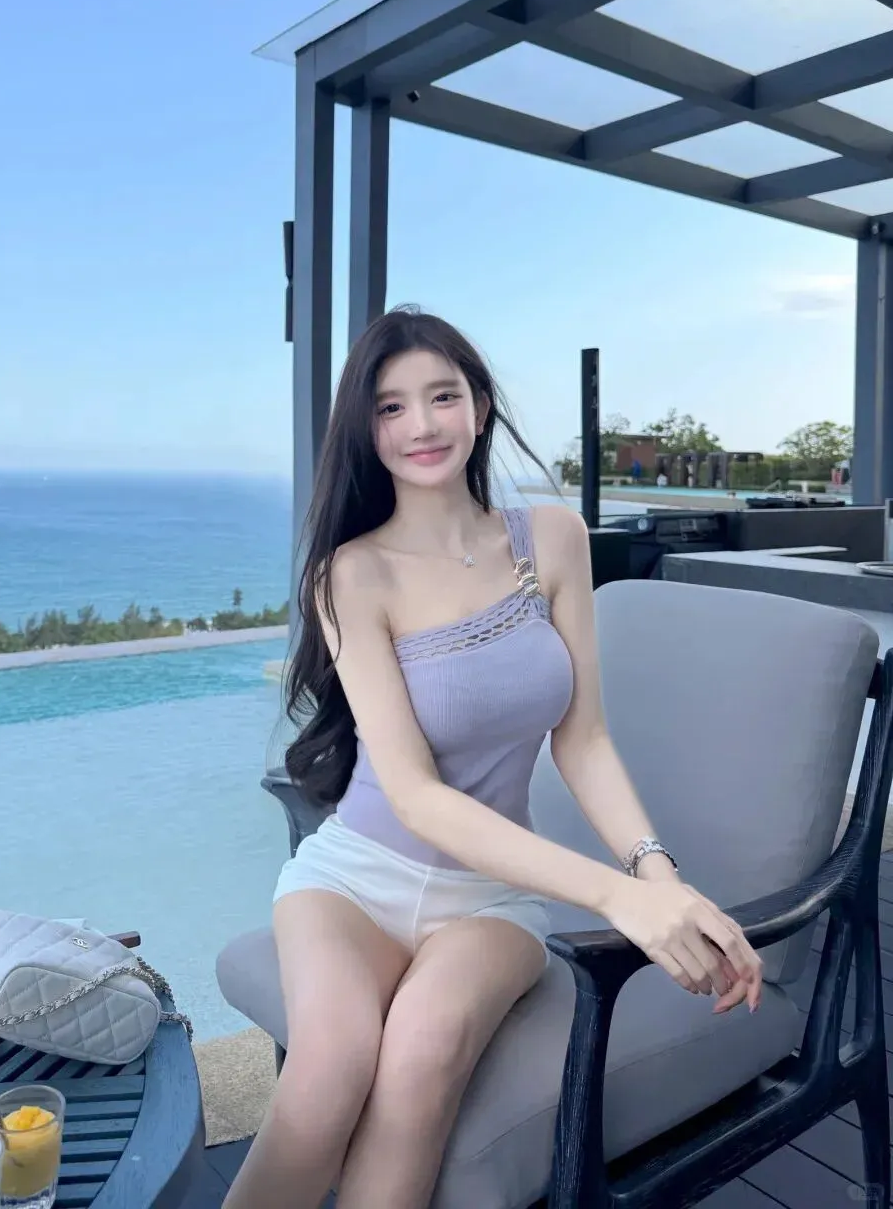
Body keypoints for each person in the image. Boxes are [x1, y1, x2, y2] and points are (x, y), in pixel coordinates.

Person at [223, 307, 762, 1209]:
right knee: (328, 1069)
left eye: (443, 396)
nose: (421, 424)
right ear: (365, 430)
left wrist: (659, 878)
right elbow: (415, 796)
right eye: (390, 407)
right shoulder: (350, 575)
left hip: (488, 902)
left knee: (422, 1052)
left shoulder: (551, 539)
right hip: (354, 879)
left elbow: (583, 738)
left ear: (479, 406)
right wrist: (619, 898)